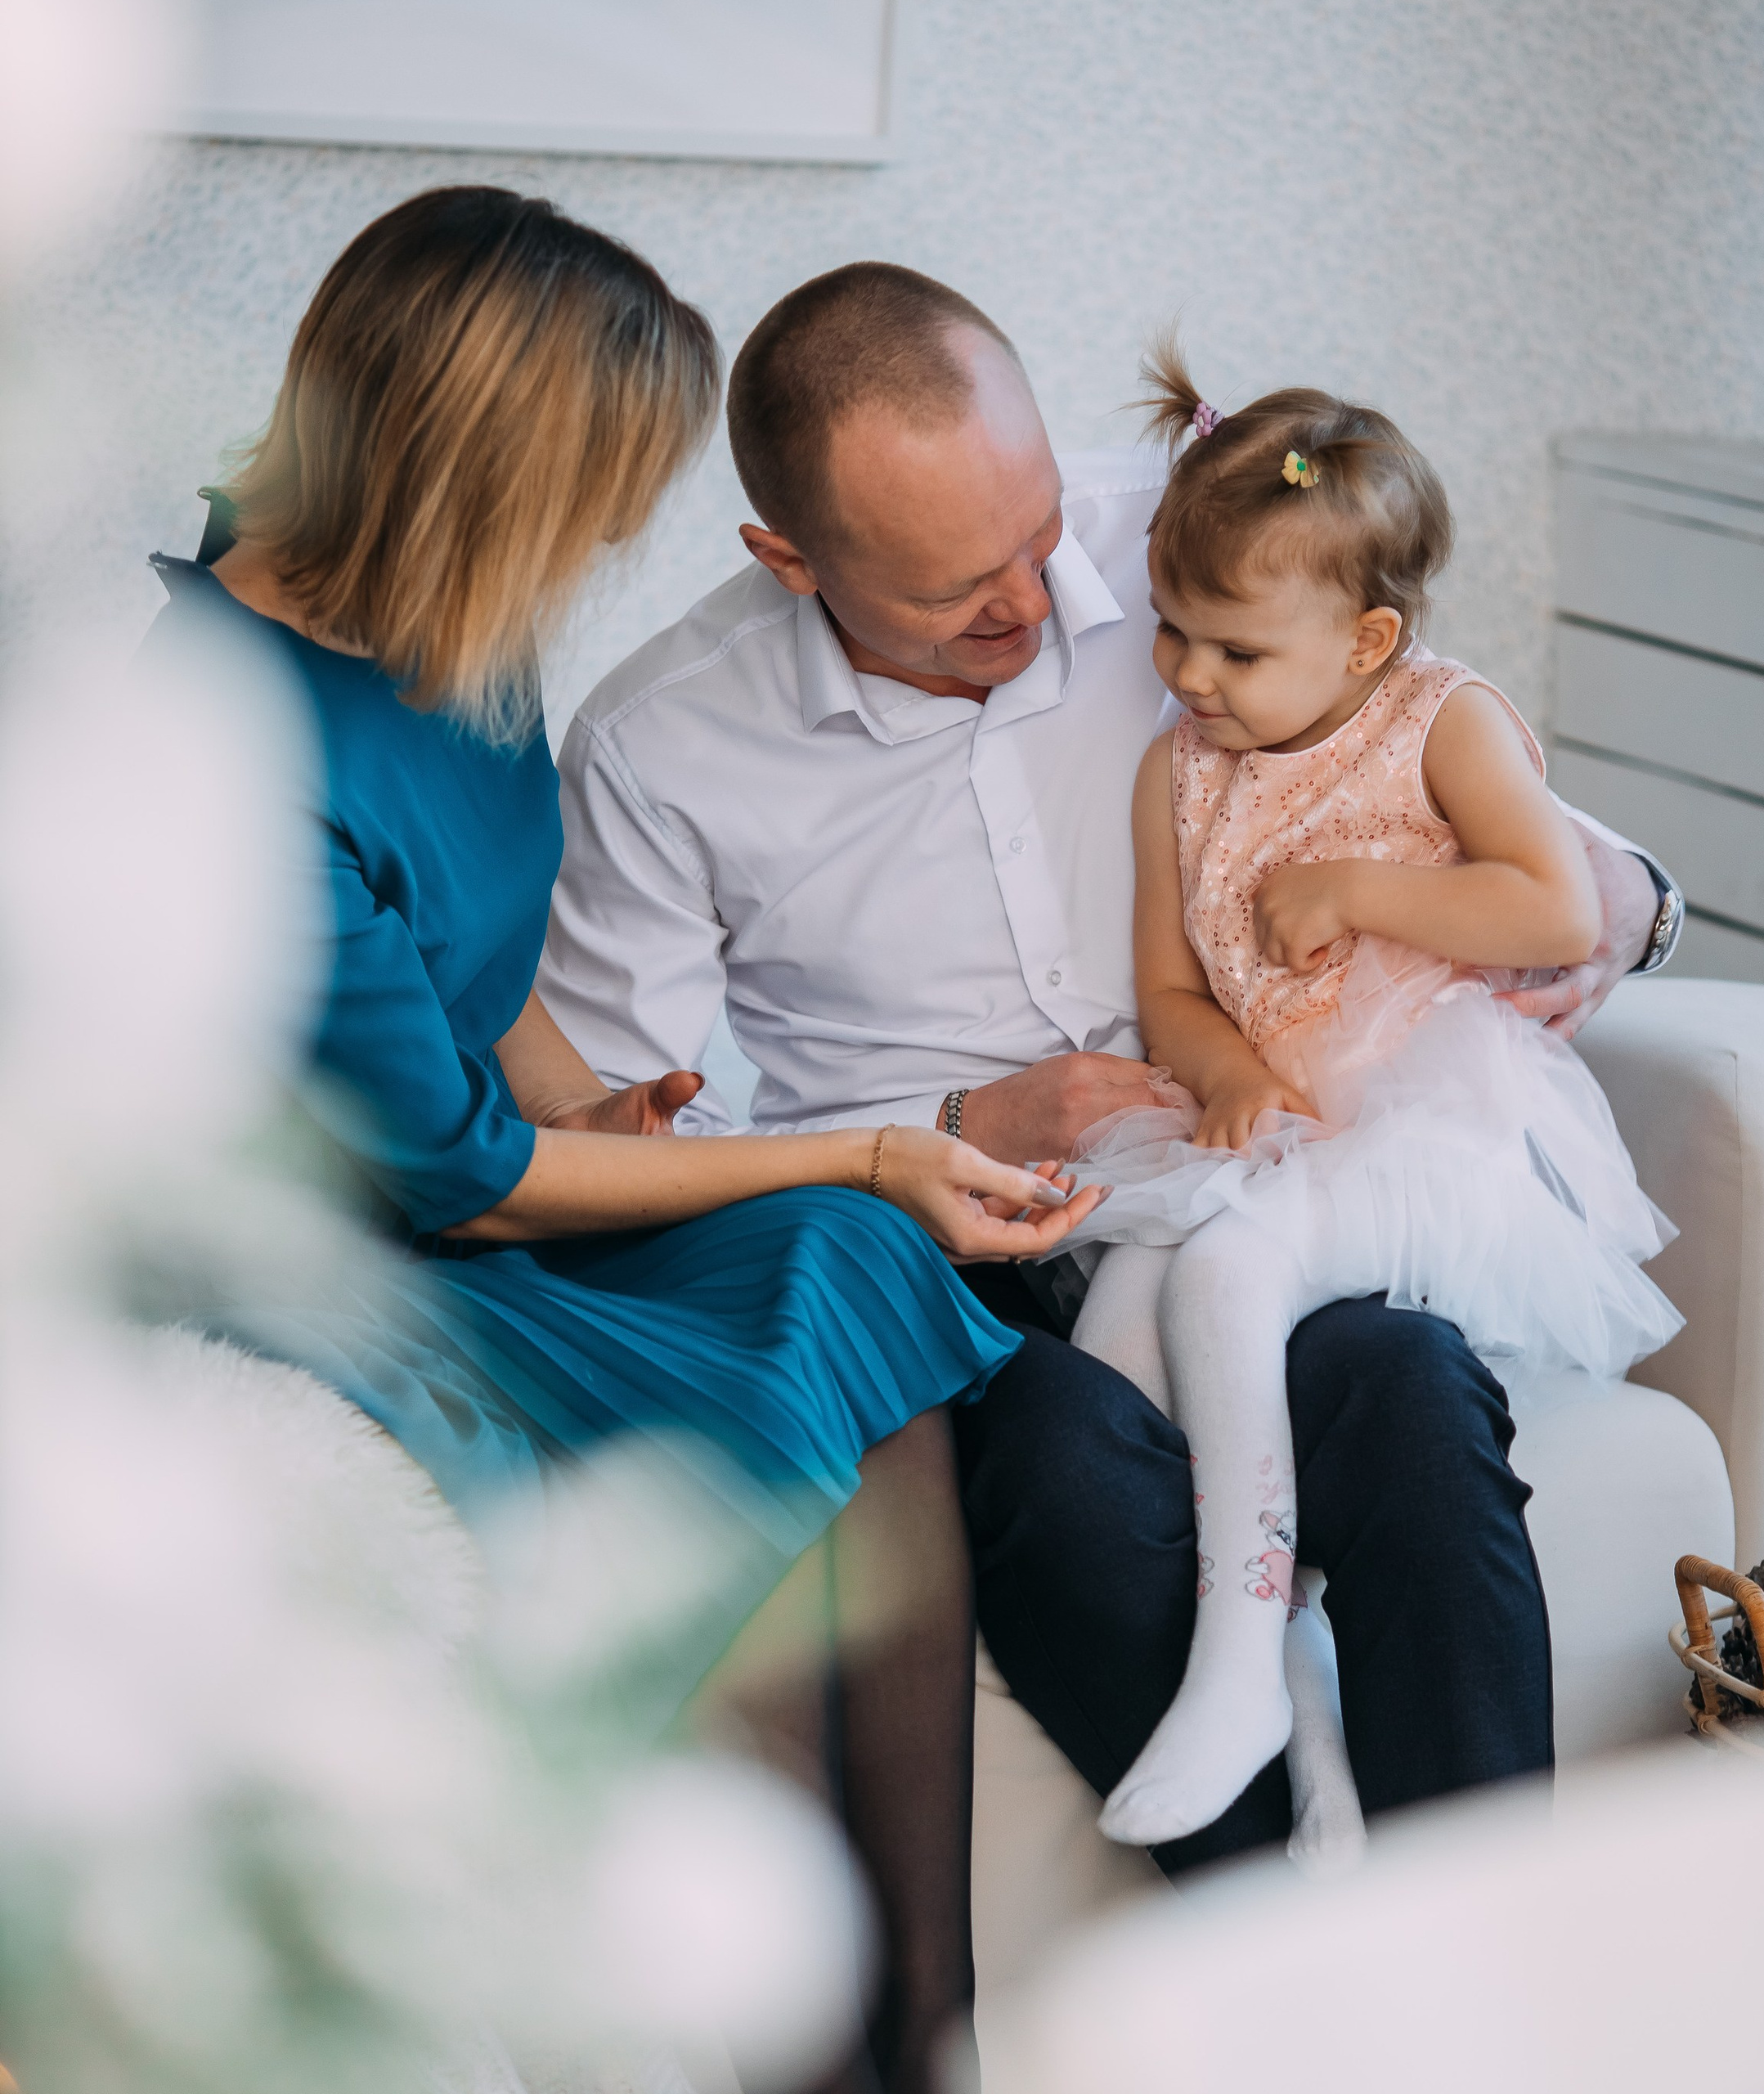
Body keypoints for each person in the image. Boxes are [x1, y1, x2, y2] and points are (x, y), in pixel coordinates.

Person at [539, 262, 1686, 1881]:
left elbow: (1433, 758)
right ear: (787, 558)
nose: (1034, 601)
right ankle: (1284, 1962)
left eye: (1034, 537)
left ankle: (1475, 1965)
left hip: (1246, 1177)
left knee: (1416, 1405)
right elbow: (625, 1143)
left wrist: (1613, 913)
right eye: (957, 590)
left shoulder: (1194, 543)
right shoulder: (663, 743)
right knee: (1074, 1491)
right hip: (951, 1260)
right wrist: (937, 1130)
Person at [139, 189, 1100, 2094]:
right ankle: (796, 2034)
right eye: (594, 490)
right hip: (348, 1261)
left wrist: (601, 1096)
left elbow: (474, 977)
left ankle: (920, 2012)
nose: (605, 536)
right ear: (472, 475)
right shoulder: (237, 736)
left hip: (471, 1175)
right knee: (834, 1243)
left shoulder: (439, 627)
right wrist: (852, 1145)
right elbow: (465, 1180)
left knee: (860, 1264)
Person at [1051, 347, 1684, 1860]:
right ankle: (1297, 1700)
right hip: (1284, 1126)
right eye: (1173, 635)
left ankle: (1226, 1671)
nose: (1192, 679)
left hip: (1435, 1126)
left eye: (1236, 653)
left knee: (1224, 1271)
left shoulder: (1444, 725)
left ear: (1367, 639)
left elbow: (1551, 910)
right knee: (1113, 1357)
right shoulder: (1178, 772)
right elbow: (1172, 991)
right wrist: (1225, 1073)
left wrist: (1357, 886)